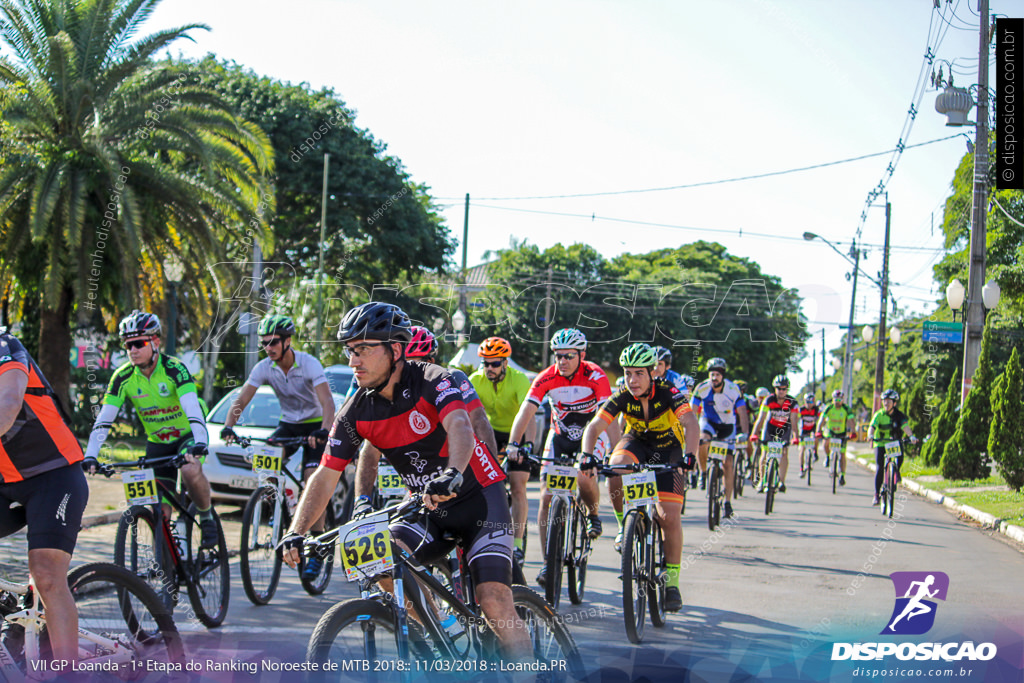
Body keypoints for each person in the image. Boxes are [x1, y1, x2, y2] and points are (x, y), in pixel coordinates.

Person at [280, 303, 530, 659]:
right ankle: (443, 631)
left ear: (395, 350)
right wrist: (297, 530)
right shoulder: (356, 411)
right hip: (427, 505)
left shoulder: (433, 379)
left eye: (364, 349)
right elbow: (326, 473)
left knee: (492, 599)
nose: (354, 361)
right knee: (381, 560)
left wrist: (453, 473)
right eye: (350, 351)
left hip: (478, 498)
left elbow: (461, 427)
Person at [580, 343, 699, 612]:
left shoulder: (670, 393)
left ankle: (672, 583)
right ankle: (625, 525)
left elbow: (691, 422)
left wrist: (689, 456)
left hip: (670, 450)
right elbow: (595, 426)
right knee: (616, 465)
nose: (632, 380)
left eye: (639, 374)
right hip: (638, 443)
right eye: (627, 373)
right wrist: (587, 455)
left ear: (652, 372)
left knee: (669, 516)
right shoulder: (622, 395)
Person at [83, 311, 217, 547]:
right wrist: (91, 455)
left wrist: (200, 442)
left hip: (187, 434)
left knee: (189, 470)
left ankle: (206, 517)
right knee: (158, 510)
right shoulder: (122, 377)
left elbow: (192, 408)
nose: (132, 350)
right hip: (158, 440)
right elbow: (104, 420)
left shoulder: (175, 369)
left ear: (155, 342)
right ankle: (167, 561)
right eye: (127, 345)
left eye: (138, 343)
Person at [219, 314, 335, 580]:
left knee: (311, 478)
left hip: (316, 425)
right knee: (266, 461)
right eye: (265, 343)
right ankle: (277, 503)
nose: (269, 348)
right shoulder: (264, 367)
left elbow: (327, 402)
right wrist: (228, 425)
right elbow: (242, 398)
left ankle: (317, 545)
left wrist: (324, 431)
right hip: (289, 424)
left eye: (273, 342)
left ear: (287, 341)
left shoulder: (308, 364)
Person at [0, 329, 87, 663]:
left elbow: (7, 405)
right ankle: (14, 612)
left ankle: (67, 672)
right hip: (6, 479)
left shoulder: (5, 347)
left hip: (54, 474)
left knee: (47, 574)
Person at [505, 328, 615, 590]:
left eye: (569, 356)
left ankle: (593, 512)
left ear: (581, 355)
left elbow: (608, 416)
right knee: (545, 496)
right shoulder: (547, 377)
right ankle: (548, 561)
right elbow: (526, 411)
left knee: (582, 476)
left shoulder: (595, 375)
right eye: (558, 356)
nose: (562, 361)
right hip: (560, 437)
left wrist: (616, 451)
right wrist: (513, 443)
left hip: (591, 436)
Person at [469, 337, 533, 565]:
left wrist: (527, 445)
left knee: (517, 486)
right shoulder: (475, 380)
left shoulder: (519, 379)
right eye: (486, 363)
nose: (489, 368)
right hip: (492, 432)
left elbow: (529, 416)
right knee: (482, 484)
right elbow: (467, 417)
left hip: (519, 432)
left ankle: (517, 544)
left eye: (495, 364)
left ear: (506, 363)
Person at [689, 358, 750, 518]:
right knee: (702, 440)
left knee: (728, 464)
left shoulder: (732, 389)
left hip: (727, 427)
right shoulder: (702, 388)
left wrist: (744, 433)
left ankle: (727, 502)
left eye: (717, 374)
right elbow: (692, 411)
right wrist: (690, 428)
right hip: (708, 423)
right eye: (711, 374)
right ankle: (703, 472)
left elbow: (742, 412)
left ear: (722, 376)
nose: (714, 378)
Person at [750, 375, 800, 494]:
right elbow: (761, 418)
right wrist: (754, 434)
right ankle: (762, 481)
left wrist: (795, 437)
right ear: (774, 389)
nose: (781, 391)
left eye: (784, 389)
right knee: (765, 451)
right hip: (770, 427)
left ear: (787, 389)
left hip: (784, 428)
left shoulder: (792, 402)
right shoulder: (768, 400)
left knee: (783, 452)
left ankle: (782, 481)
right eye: (779, 388)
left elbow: (794, 421)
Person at [867, 389, 917, 506]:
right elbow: (872, 426)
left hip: (894, 443)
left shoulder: (899, 415)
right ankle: (876, 494)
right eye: (884, 401)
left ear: (894, 403)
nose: (886, 404)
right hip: (880, 443)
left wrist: (912, 436)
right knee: (879, 468)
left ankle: (896, 471)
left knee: (900, 457)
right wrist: (870, 435)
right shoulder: (878, 415)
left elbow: (905, 427)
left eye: (889, 401)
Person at [816, 389, 855, 486]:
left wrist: (853, 432)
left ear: (842, 399)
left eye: (839, 399)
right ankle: (828, 457)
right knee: (826, 443)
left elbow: (851, 421)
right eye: (835, 399)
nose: (837, 402)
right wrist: (818, 431)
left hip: (841, 433)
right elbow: (822, 419)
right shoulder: (829, 407)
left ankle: (842, 474)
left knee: (842, 454)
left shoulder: (846, 409)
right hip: (830, 431)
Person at [797, 392, 822, 476]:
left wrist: (820, 430)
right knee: (802, 449)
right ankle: (801, 468)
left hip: (812, 428)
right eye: (807, 402)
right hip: (803, 429)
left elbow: (821, 420)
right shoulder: (801, 410)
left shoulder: (816, 410)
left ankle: (815, 452)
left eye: (811, 402)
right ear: (804, 402)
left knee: (816, 437)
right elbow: (796, 419)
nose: (809, 404)